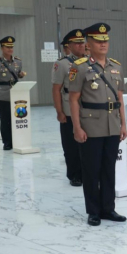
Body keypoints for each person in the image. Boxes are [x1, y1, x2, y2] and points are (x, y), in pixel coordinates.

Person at [68, 23, 127, 226]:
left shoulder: (116, 66)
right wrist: (76, 127)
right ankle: (93, 211)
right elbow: (73, 99)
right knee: (91, 170)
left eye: (105, 41)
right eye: (97, 41)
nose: (103, 44)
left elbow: (119, 97)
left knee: (109, 169)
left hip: (112, 124)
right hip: (91, 125)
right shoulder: (80, 67)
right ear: (88, 44)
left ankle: (108, 208)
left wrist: (123, 125)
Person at [52, 29, 86, 187]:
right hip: (68, 106)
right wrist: (59, 111)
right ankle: (74, 174)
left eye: (82, 42)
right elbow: (56, 89)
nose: (81, 45)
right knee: (71, 144)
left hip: (87, 109)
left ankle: (87, 172)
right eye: (76, 43)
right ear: (69, 46)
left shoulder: (90, 61)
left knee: (88, 144)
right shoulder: (62, 64)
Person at [0, 36, 26, 151]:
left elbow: (18, 74)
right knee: (5, 120)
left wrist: (21, 75)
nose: (10, 49)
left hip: (17, 94)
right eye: (7, 47)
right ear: (2, 48)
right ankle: (7, 142)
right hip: (3, 94)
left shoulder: (18, 61)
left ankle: (16, 140)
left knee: (17, 118)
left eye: (11, 47)